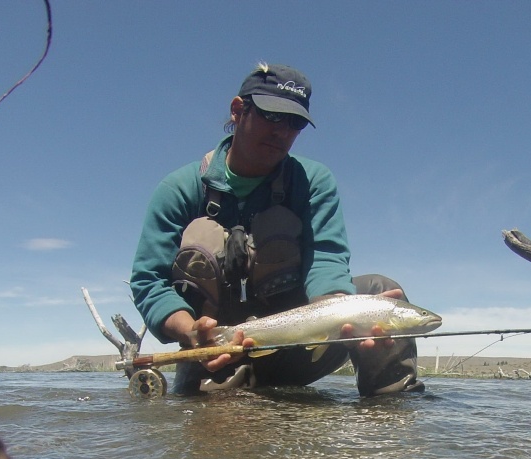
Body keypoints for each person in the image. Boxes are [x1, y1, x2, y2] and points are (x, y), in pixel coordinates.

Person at [130, 62, 424, 397]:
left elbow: (326, 259)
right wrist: (192, 332)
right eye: (271, 115)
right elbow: (149, 281)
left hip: (295, 346)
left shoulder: (313, 181)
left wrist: (346, 313)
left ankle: (391, 419)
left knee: (377, 289)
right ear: (238, 110)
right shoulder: (178, 189)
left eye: (295, 122)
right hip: (214, 354)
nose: (282, 131)